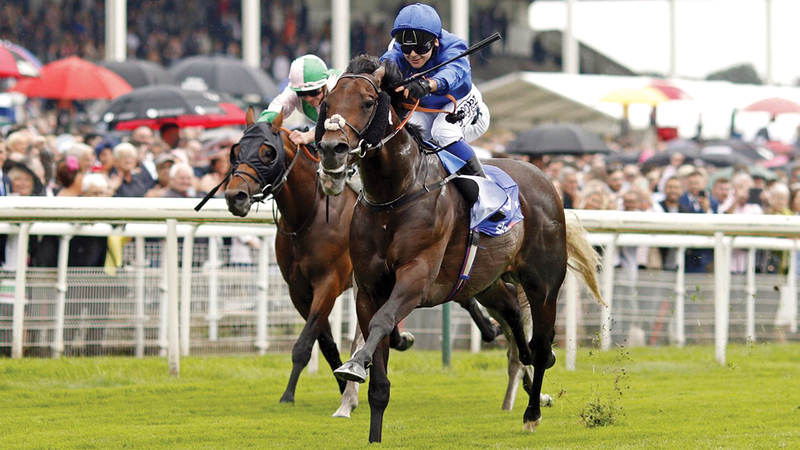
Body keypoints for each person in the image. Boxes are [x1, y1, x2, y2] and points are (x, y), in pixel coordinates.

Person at [380, 3, 493, 205]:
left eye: (420, 48)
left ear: (435, 41)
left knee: (443, 132)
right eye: (407, 48)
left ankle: (486, 194)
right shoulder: (396, 49)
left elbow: (452, 73)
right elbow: (386, 64)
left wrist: (428, 85)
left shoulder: (454, 46)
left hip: (461, 102)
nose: (413, 54)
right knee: (406, 135)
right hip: (427, 107)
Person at [257, 54, 339, 145]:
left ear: (325, 85)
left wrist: (310, 135)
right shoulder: (294, 90)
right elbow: (276, 109)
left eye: (313, 92)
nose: (309, 99)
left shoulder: (338, 87)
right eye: (302, 94)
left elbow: (341, 122)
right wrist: (260, 127)